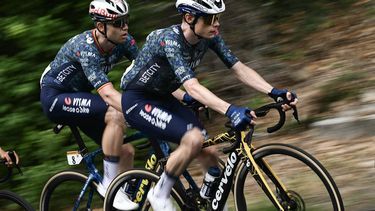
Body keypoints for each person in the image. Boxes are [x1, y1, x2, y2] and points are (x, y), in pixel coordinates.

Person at [118, 0, 298, 210]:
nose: (217, 24)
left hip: (165, 96)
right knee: (193, 139)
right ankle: (159, 193)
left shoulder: (208, 37)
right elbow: (192, 87)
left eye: (218, 18)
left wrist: (273, 92)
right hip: (137, 100)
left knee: (210, 151)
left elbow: (239, 68)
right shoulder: (170, 40)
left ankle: (205, 203)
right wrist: (230, 110)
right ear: (189, 18)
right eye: (211, 19)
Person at [39, 0, 139, 209]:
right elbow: (109, 95)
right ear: (101, 26)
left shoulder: (126, 42)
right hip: (56, 97)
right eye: (119, 22)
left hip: (81, 96)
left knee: (126, 151)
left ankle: (117, 198)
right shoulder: (85, 47)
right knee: (115, 113)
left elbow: (148, 74)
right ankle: (110, 184)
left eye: (126, 20)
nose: (125, 27)